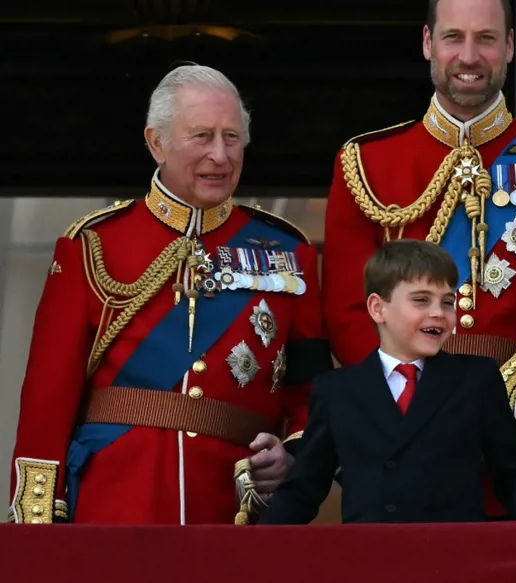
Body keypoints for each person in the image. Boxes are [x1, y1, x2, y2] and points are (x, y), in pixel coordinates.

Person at [7, 64, 332, 525]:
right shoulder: (94, 245)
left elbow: (310, 395)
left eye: (232, 138)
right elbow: (47, 401)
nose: (220, 155)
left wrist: (293, 457)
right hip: (114, 507)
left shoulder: (288, 251)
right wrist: (38, 528)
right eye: (202, 136)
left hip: (230, 514)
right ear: (155, 143)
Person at [320, 0, 516, 517]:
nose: (469, 56)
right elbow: (348, 309)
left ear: (512, 47)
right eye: (454, 38)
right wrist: (410, 400)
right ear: (428, 44)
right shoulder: (366, 162)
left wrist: (505, 389)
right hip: (403, 434)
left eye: (487, 39)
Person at [259, 240, 516, 524]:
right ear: (378, 308)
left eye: (447, 302)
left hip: (456, 557)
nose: (438, 312)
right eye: (421, 300)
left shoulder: (476, 378)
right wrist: (258, 549)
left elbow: (513, 472)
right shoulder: (337, 391)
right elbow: (304, 489)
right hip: (374, 559)